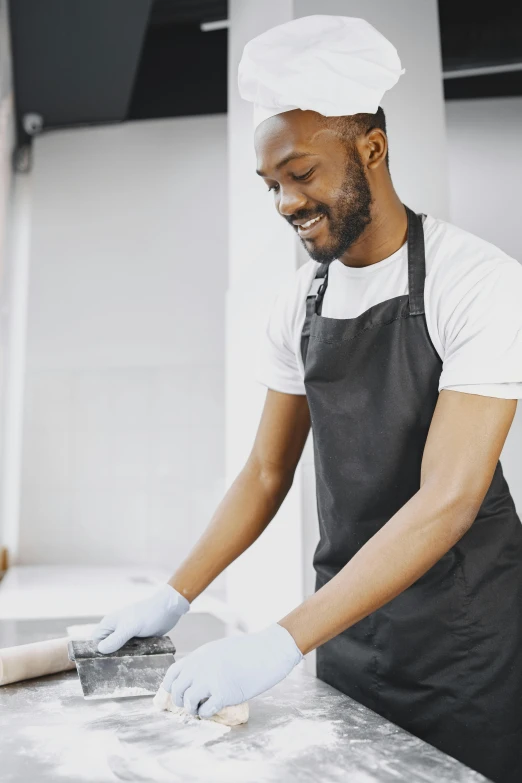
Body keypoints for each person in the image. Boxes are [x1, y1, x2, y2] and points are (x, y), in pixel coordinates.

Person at [92, 17, 522, 783]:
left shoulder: (477, 281)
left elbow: (449, 499)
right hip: (348, 628)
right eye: (272, 186)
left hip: (464, 639)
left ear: (372, 151)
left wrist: (278, 641)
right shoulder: (300, 303)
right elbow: (265, 471)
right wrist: (174, 595)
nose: (286, 202)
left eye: (301, 173)